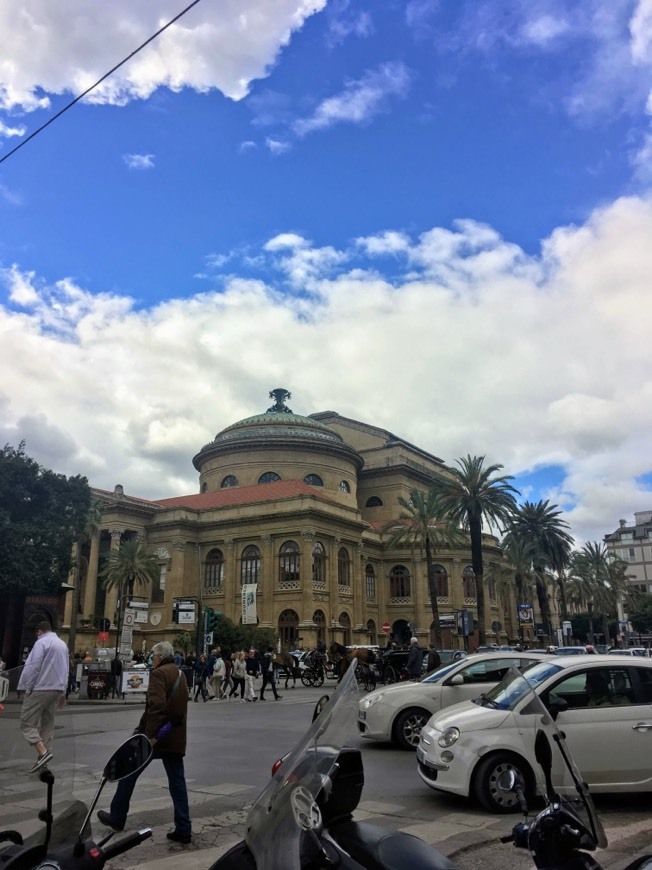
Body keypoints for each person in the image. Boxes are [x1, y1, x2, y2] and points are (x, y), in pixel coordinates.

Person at [97, 641, 191, 843]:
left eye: (153, 655)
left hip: (157, 738)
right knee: (177, 782)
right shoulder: (180, 673)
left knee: (129, 773)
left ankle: (117, 817)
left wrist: (150, 736)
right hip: (174, 736)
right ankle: (184, 827)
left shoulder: (158, 674)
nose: (151, 658)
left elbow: (156, 707)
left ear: (159, 656)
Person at [17, 622, 69, 773]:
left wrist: (26, 687)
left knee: (26, 723)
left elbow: (32, 667)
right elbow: (65, 669)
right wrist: (63, 692)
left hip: (40, 688)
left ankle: (43, 752)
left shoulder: (41, 643)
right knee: (47, 724)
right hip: (56, 689)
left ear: (39, 631)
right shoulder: (62, 644)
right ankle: (43, 762)